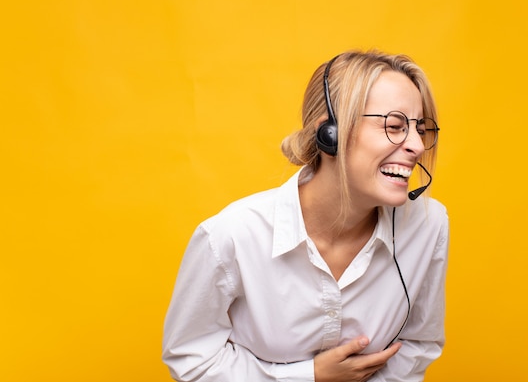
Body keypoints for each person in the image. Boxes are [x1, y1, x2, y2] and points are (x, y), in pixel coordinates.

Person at [162, 50, 449, 382]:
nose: (416, 145)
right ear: (330, 133)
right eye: (395, 126)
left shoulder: (428, 226)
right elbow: (192, 360)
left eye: (421, 128)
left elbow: (417, 345)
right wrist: (309, 377)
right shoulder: (230, 237)